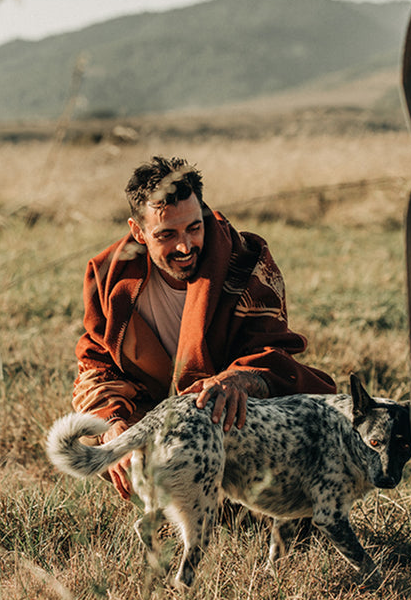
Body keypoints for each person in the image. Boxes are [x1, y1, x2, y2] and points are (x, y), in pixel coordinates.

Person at [72, 155, 336, 498]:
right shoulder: (109, 275)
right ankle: (169, 501)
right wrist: (112, 427)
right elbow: (97, 364)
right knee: (86, 430)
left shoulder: (247, 261)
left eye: (194, 228)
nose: (185, 246)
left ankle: (256, 506)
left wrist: (240, 378)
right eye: (166, 234)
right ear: (137, 231)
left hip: (227, 414)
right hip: (155, 415)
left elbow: (273, 350)